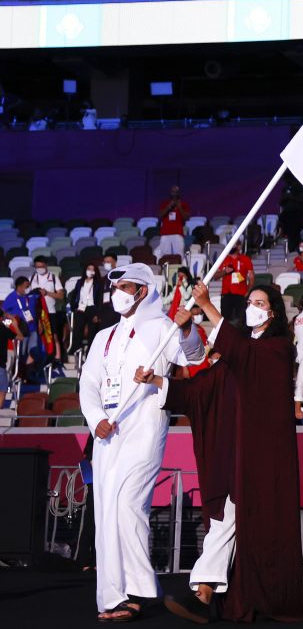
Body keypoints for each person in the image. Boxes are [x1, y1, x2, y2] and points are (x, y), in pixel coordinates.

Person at [135, 280, 303, 622]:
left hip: (262, 458)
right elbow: (200, 390)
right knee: (225, 521)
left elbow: (247, 356)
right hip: (235, 454)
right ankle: (205, 592)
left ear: (272, 312)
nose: (252, 306)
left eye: (259, 302)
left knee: (229, 520)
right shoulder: (235, 355)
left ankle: (202, 591)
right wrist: (156, 381)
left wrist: (208, 306)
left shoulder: (276, 349)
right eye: (249, 301)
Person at [78, 263, 205, 622]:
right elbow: (88, 384)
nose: (118, 290)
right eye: (115, 284)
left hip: (145, 427)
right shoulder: (103, 336)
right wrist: (95, 419)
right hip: (106, 431)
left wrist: (188, 328)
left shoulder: (162, 328)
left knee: (128, 505)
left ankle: (140, 590)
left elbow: (193, 357)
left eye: (127, 285)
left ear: (145, 290)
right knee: (106, 512)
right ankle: (116, 594)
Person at [2, 277, 40, 378]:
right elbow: (3, 312)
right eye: (26, 286)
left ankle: (29, 375)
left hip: (32, 328)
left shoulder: (31, 296)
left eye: (29, 286)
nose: (28, 288)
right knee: (21, 354)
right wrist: (11, 317)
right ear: (19, 287)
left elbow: (38, 309)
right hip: (20, 330)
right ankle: (21, 374)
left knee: (34, 351)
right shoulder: (11, 298)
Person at [30, 255, 65, 361]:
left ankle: (57, 357)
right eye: (37, 267)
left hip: (50, 310)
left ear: (46, 266)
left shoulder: (53, 278)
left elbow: (61, 295)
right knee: (38, 335)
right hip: (37, 311)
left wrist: (47, 293)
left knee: (53, 335)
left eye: (41, 266)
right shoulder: (32, 278)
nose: (39, 269)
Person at [68, 263, 105, 356]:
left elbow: (100, 299)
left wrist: (98, 314)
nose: (90, 271)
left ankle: (90, 353)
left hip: (93, 308)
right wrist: (74, 307)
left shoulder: (98, 283)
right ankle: (76, 350)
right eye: (89, 269)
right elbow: (74, 295)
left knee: (92, 331)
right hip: (81, 308)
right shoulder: (80, 282)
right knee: (77, 330)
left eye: (93, 269)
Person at [212, 243, 253, 325]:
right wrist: (224, 271)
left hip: (241, 294)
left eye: (234, 244)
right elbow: (215, 276)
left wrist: (248, 292)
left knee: (241, 320)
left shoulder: (245, 259)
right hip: (226, 294)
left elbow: (251, 277)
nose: (231, 246)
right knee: (225, 321)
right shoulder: (223, 259)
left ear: (239, 246)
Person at [156, 185, 190, 260]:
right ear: (170, 193)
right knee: (164, 256)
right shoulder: (164, 203)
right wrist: (169, 206)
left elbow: (186, 218)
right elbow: (160, 216)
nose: (174, 194)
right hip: (165, 233)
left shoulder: (183, 204)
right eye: (173, 192)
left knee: (179, 255)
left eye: (176, 192)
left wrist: (179, 207)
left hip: (178, 233)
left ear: (179, 193)